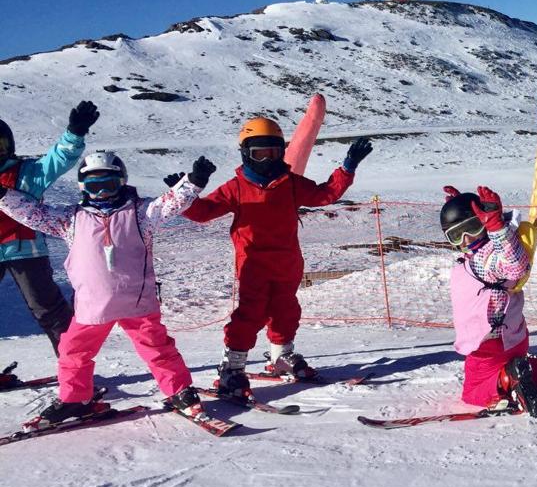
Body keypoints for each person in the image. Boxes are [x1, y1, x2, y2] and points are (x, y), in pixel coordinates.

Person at [0, 152, 214, 428]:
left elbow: (168, 204)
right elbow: (34, 213)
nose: (101, 192)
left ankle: (180, 392)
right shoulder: (71, 219)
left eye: (108, 185)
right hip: (92, 305)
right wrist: (4, 194)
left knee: (158, 349)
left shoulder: (140, 213)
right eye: (93, 186)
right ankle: (75, 398)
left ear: (121, 182)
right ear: (82, 187)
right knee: (73, 351)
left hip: (136, 303)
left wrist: (193, 182)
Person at [181, 117, 372, 400]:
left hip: (287, 264)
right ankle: (232, 368)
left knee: (287, 310)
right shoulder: (236, 187)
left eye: (274, 152)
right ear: (246, 153)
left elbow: (325, 194)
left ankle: (281, 355)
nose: (268, 159)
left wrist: (348, 166)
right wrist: (188, 188)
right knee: (250, 314)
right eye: (260, 153)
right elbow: (201, 213)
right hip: (253, 265)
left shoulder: (291, 183)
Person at [441, 184, 537, 416]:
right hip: (512, 339)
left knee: (473, 391)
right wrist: (463, 206)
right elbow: (504, 251)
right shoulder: (489, 249)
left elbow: (515, 266)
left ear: (484, 222)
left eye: (472, 228)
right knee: (498, 368)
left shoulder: (488, 259)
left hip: (491, 345)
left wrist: (495, 226)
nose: (466, 240)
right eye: (456, 235)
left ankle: (510, 376)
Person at [0, 102, 97, 354]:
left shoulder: (27, 173)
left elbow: (58, 159)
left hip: (26, 251)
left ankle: (74, 367)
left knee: (47, 308)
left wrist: (74, 133)